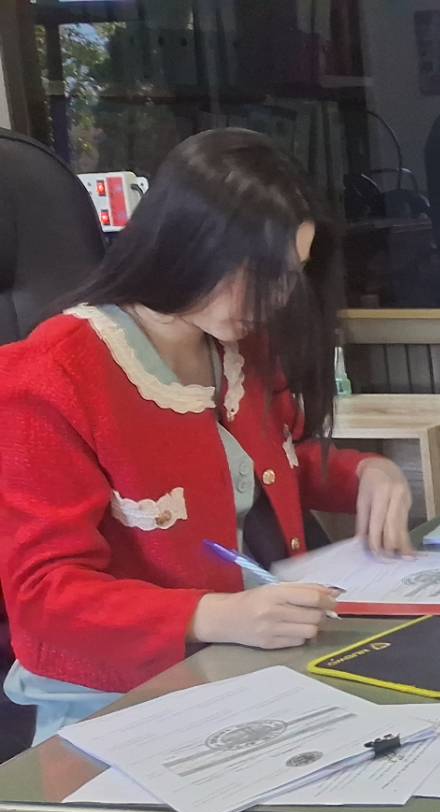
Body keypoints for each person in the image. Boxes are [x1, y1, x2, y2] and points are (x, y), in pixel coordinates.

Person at [0, 128, 414, 743]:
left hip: (244, 663)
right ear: (187, 243)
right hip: (118, 701)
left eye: (291, 275)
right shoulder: (50, 376)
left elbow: (266, 465)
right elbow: (44, 595)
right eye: (260, 274)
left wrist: (365, 473)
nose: (277, 298)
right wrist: (215, 614)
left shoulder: (235, 345)